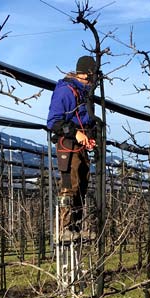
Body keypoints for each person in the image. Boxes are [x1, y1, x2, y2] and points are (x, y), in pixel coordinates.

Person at [47, 55, 97, 242]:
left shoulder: (85, 93)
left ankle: (76, 226)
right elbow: (53, 122)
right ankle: (63, 228)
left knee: (82, 184)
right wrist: (75, 134)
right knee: (69, 185)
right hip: (68, 145)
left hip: (80, 145)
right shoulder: (66, 92)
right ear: (86, 73)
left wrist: (89, 137)